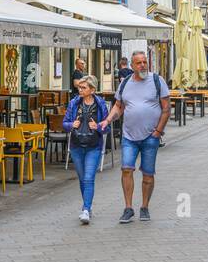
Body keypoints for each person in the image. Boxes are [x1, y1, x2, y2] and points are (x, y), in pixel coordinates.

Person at [99, 50, 170, 223]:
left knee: (148, 174)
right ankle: (128, 208)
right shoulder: (125, 84)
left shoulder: (157, 81)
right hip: (129, 136)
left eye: (145, 62)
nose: (143, 65)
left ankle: (144, 207)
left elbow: (166, 109)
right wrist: (107, 120)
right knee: (126, 169)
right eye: (139, 63)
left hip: (150, 136)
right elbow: (118, 107)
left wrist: (158, 132)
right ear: (132, 66)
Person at [63, 76, 110, 224]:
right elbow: (64, 123)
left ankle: (85, 208)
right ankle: (87, 208)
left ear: (92, 89)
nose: (80, 90)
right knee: (83, 179)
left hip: (93, 146)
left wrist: (99, 127)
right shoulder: (74, 103)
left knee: (89, 178)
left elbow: (107, 127)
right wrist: (71, 125)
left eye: (83, 88)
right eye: (79, 88)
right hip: (76, 146)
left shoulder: (100, 104)